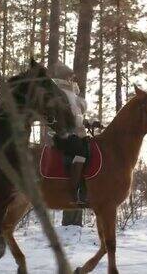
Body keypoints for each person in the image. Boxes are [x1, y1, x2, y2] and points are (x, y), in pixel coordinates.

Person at [51, 61, 88, 206]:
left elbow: (78, 115)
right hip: (62, 135)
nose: (71, 79)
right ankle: (74, 190)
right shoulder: (61, 93)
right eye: (69, 77)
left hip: (74, 133)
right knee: (81, 150)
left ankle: (85, 188)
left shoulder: (71, 94)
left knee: (88, 146)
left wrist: (88, 123)